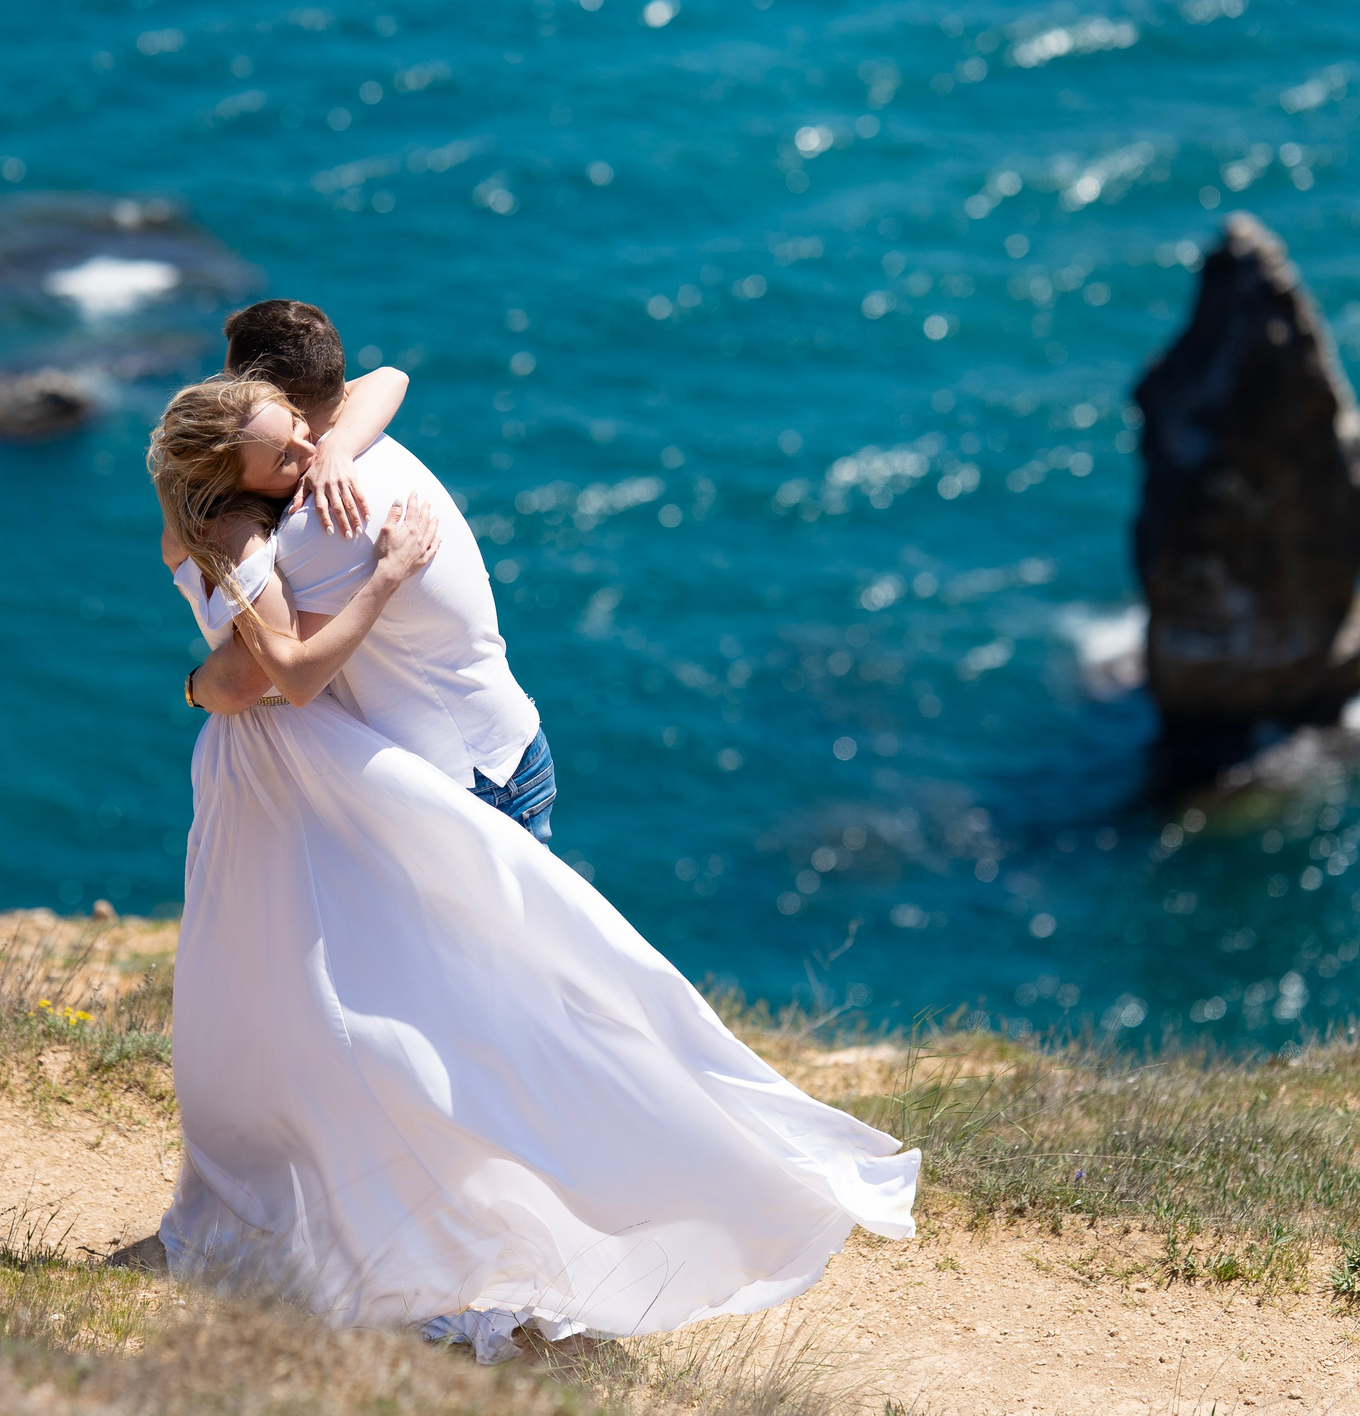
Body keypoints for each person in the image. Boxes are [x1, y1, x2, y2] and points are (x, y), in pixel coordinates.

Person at [145, 371, 919, 1363]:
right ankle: (402, 1200)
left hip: (256, 778)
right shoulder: (252, 541)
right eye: (284, 452)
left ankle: (304, 1187)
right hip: (293, 771)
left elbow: (378, 381)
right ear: (227, 479)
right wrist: (384, 574)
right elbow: (283, 677)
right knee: (367, 994)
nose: (307, 454)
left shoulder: (198, 521)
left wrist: (319, 457)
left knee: (279, 992)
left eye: (302, 430)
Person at [190, 300, 556, 842]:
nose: (223, 394)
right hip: (502, 748)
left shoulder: (321, 517)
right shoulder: (360, 442)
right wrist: (334, 443)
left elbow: (262, 676)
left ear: (272, 399)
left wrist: (193, 689)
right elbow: (387, 375)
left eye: (230, 381)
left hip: (467, 783)